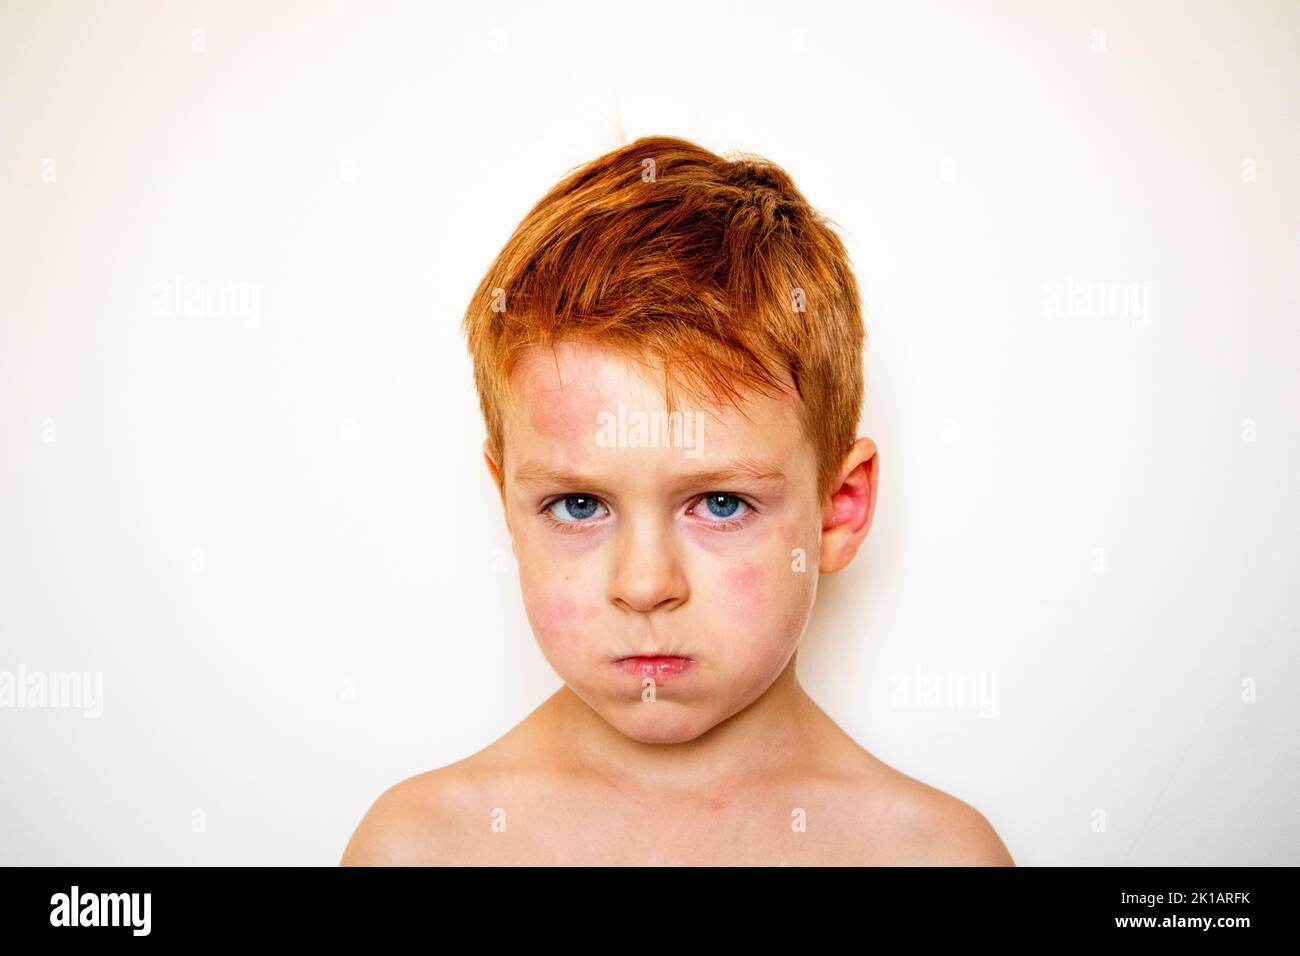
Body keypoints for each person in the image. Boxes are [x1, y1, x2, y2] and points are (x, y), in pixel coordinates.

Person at [341, 135, 1014, 865]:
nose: (644, 586)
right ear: (507, 506)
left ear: (839, 508)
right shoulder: (421, 847)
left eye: (720, 504)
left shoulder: (937, 855)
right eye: (578, 506)